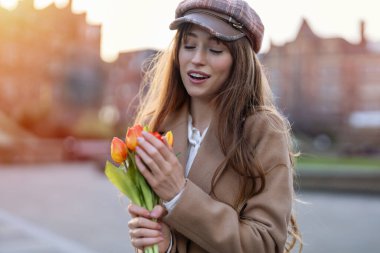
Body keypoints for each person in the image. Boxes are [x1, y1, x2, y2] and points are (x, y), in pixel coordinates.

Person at [127, 0, 302, 252]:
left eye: (215, 50)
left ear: (239, 61)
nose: (197, 59)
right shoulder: (156, 126)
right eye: (189, 45)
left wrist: (179, 195)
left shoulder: (262, 130)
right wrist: (164, 245)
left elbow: (264, 243)